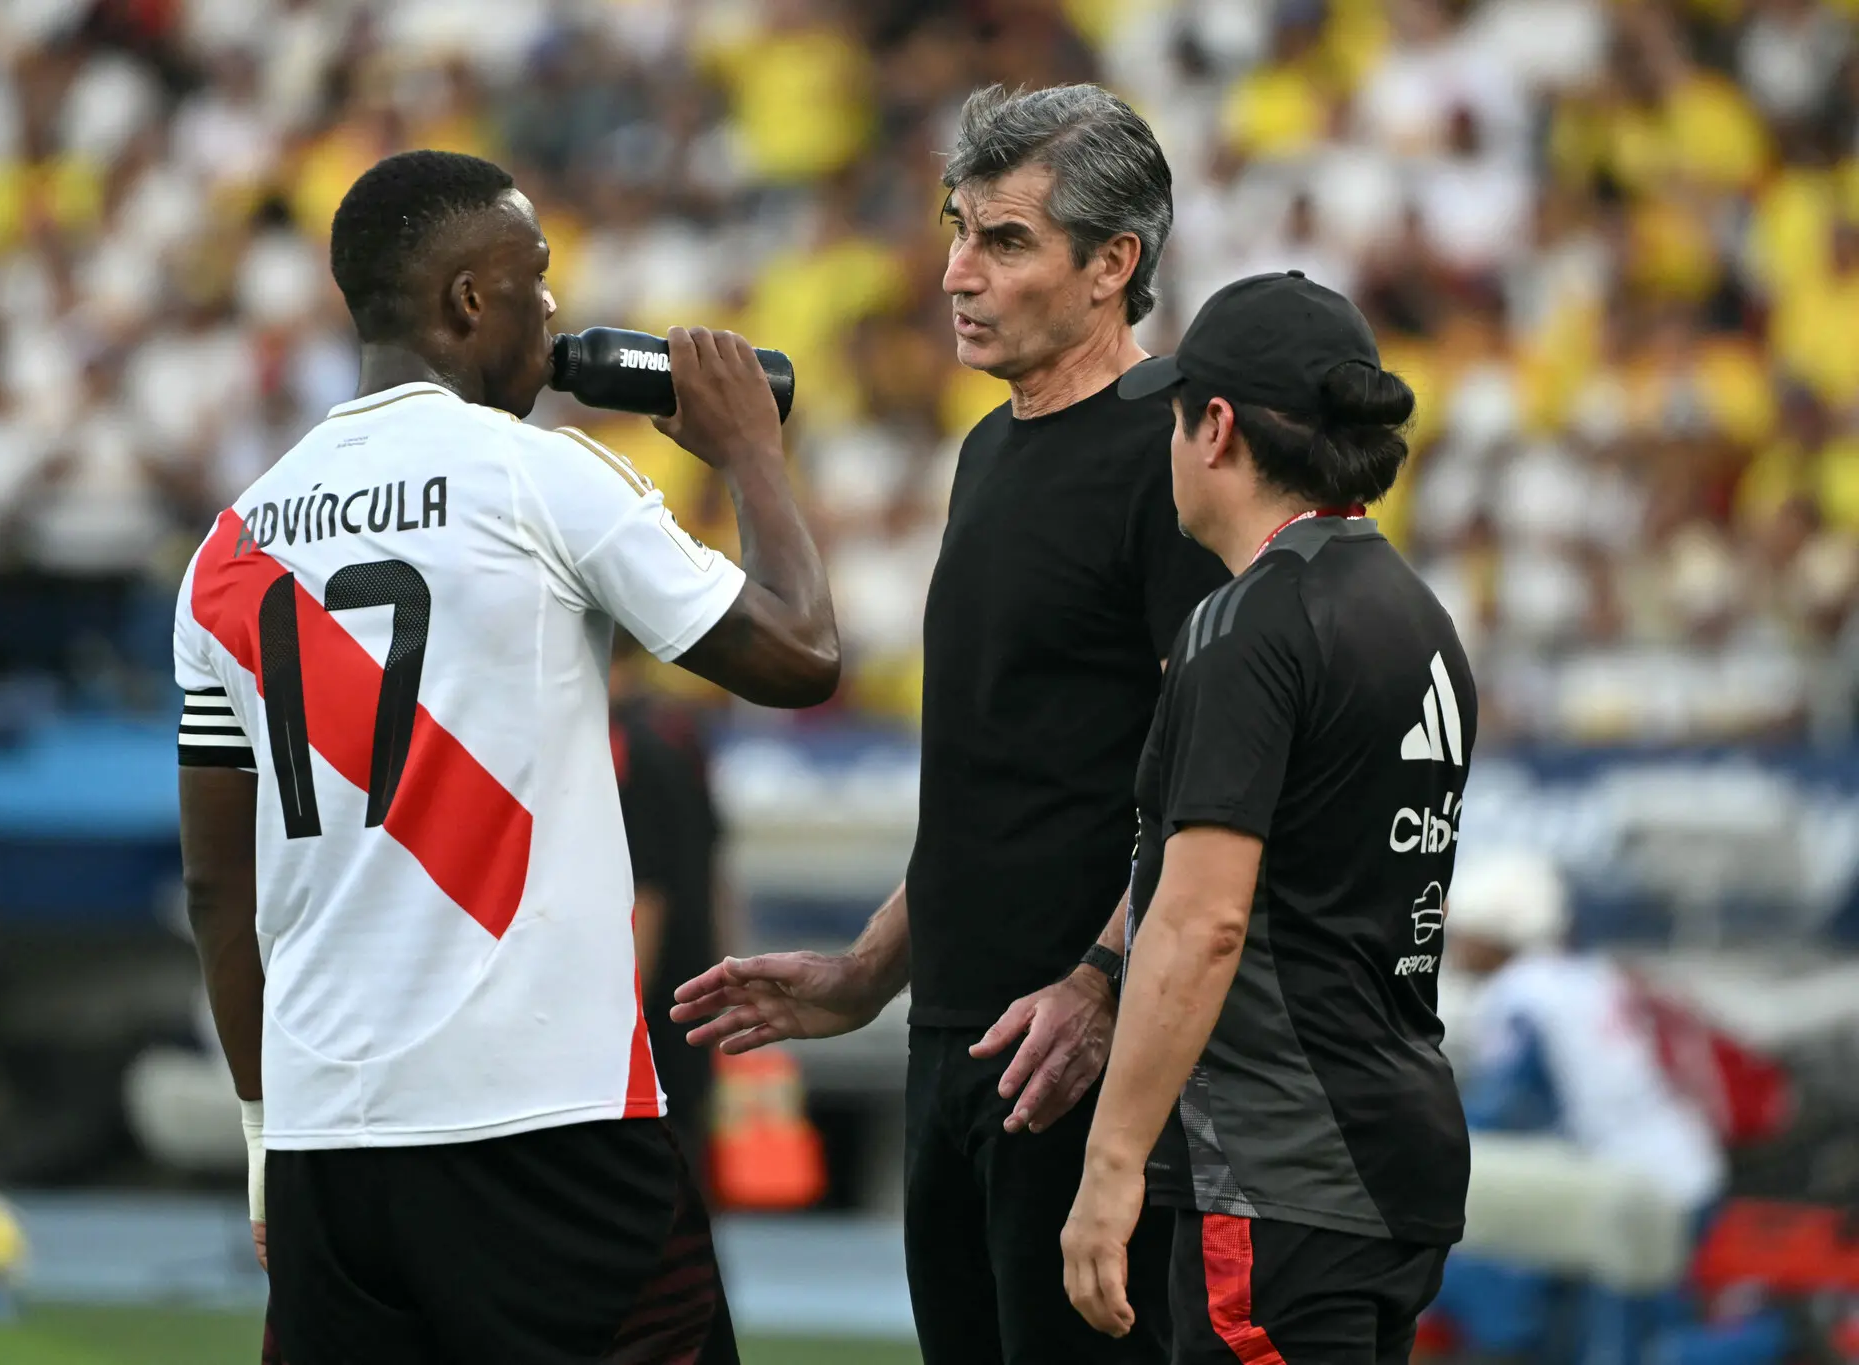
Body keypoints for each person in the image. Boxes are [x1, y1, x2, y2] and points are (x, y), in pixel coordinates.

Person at [173, 149, 838, 1365]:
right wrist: (748, 453)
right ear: (469, 302)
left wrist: (269, 1139)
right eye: (535, 281)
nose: (555, 313)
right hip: (543, 1124)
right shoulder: (542, 480)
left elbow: (219, 889)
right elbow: (800, 654)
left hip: (330, 1143)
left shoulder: (230, 543)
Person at [673, 84, 1228, 1363]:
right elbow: (1002, 783)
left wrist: (1099, 986)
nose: (954, 273)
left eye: (1004, 241)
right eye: (954, 229)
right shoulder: (987, 454)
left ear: (1112, 265)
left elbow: (1215, 779)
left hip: (1080, 1064)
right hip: (956, 1044)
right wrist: (870, 972)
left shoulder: (1174, 456)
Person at [1059, 271, 1474, 1365]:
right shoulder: (1415, 614)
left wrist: (1109, 1169)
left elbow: (1201, 926)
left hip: (1282, 1168)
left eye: (1171, 415)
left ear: (1217, 428)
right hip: (1390, 1151)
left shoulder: (1245, 625)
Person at [1435, 846, 1725, 1365]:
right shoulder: (1584, 974)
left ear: (1497, 932)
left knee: (1622, 1350)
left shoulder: (1523, 993)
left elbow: (1505, 1107)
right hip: (1678, 1168)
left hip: (1636, 1188)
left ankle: (1780, 1336)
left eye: (1468, 929)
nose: (1455, 942)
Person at [611, 635, 727, 1187]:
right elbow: (717, 869)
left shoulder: (620, 746)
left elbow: (645, 895)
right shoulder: (679, 732)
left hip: (650, 1020)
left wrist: (621, 1027)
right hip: (693, 999)